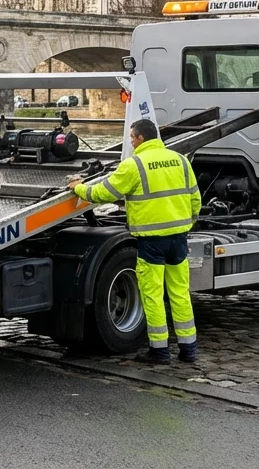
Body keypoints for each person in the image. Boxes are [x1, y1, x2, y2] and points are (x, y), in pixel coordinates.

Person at [68, 118, 201, 364]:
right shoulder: (181, 160)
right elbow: (195, 198)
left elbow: (104, 192)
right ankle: (188, 350)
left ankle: (160, 351)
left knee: (152, 294)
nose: (130, 141)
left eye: (131, 137)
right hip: (178, 239)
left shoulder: (134, 165)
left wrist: (79, 188)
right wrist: (186, 223)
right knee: (180, 293)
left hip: (151, 242)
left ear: (140, 138)